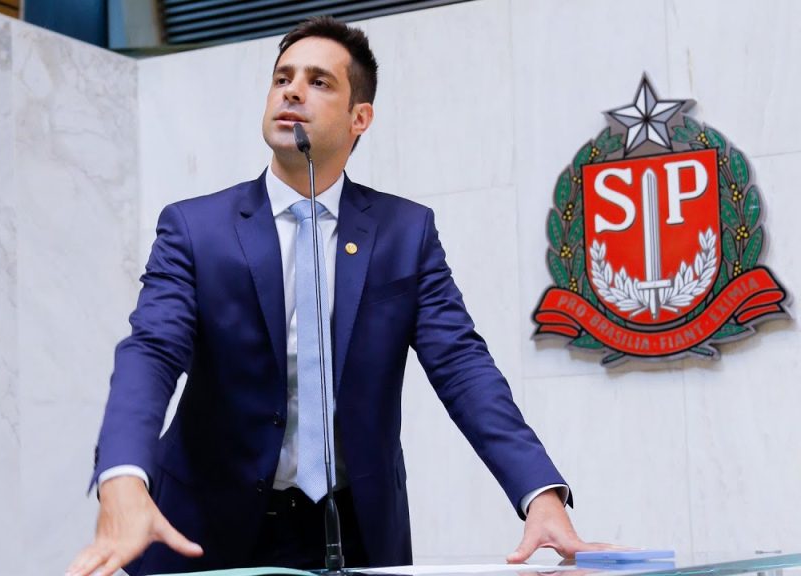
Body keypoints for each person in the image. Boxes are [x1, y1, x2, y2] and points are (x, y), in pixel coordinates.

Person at [67, 16, 611, 576]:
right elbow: (152, 351)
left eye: (319, 81)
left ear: (360, 118)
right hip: (204, 529)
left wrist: (538, 492)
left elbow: (462, 365)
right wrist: (123, 477)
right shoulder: (194, 229)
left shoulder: (405, 233)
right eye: (282, 78)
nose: (292, 91)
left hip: (355, 530)